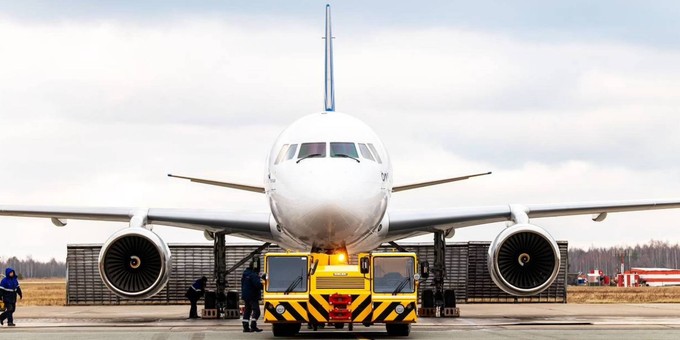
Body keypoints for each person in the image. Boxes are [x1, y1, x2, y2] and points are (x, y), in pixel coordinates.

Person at [241, 262, 263, 332]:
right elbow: (257, 285)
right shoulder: (253, 274)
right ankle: (253, 325)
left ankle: (245, 327)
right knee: (257, 311)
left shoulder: (245, 273)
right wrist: (265, 285)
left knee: (247, 310)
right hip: (252, 295)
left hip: (246, 295)